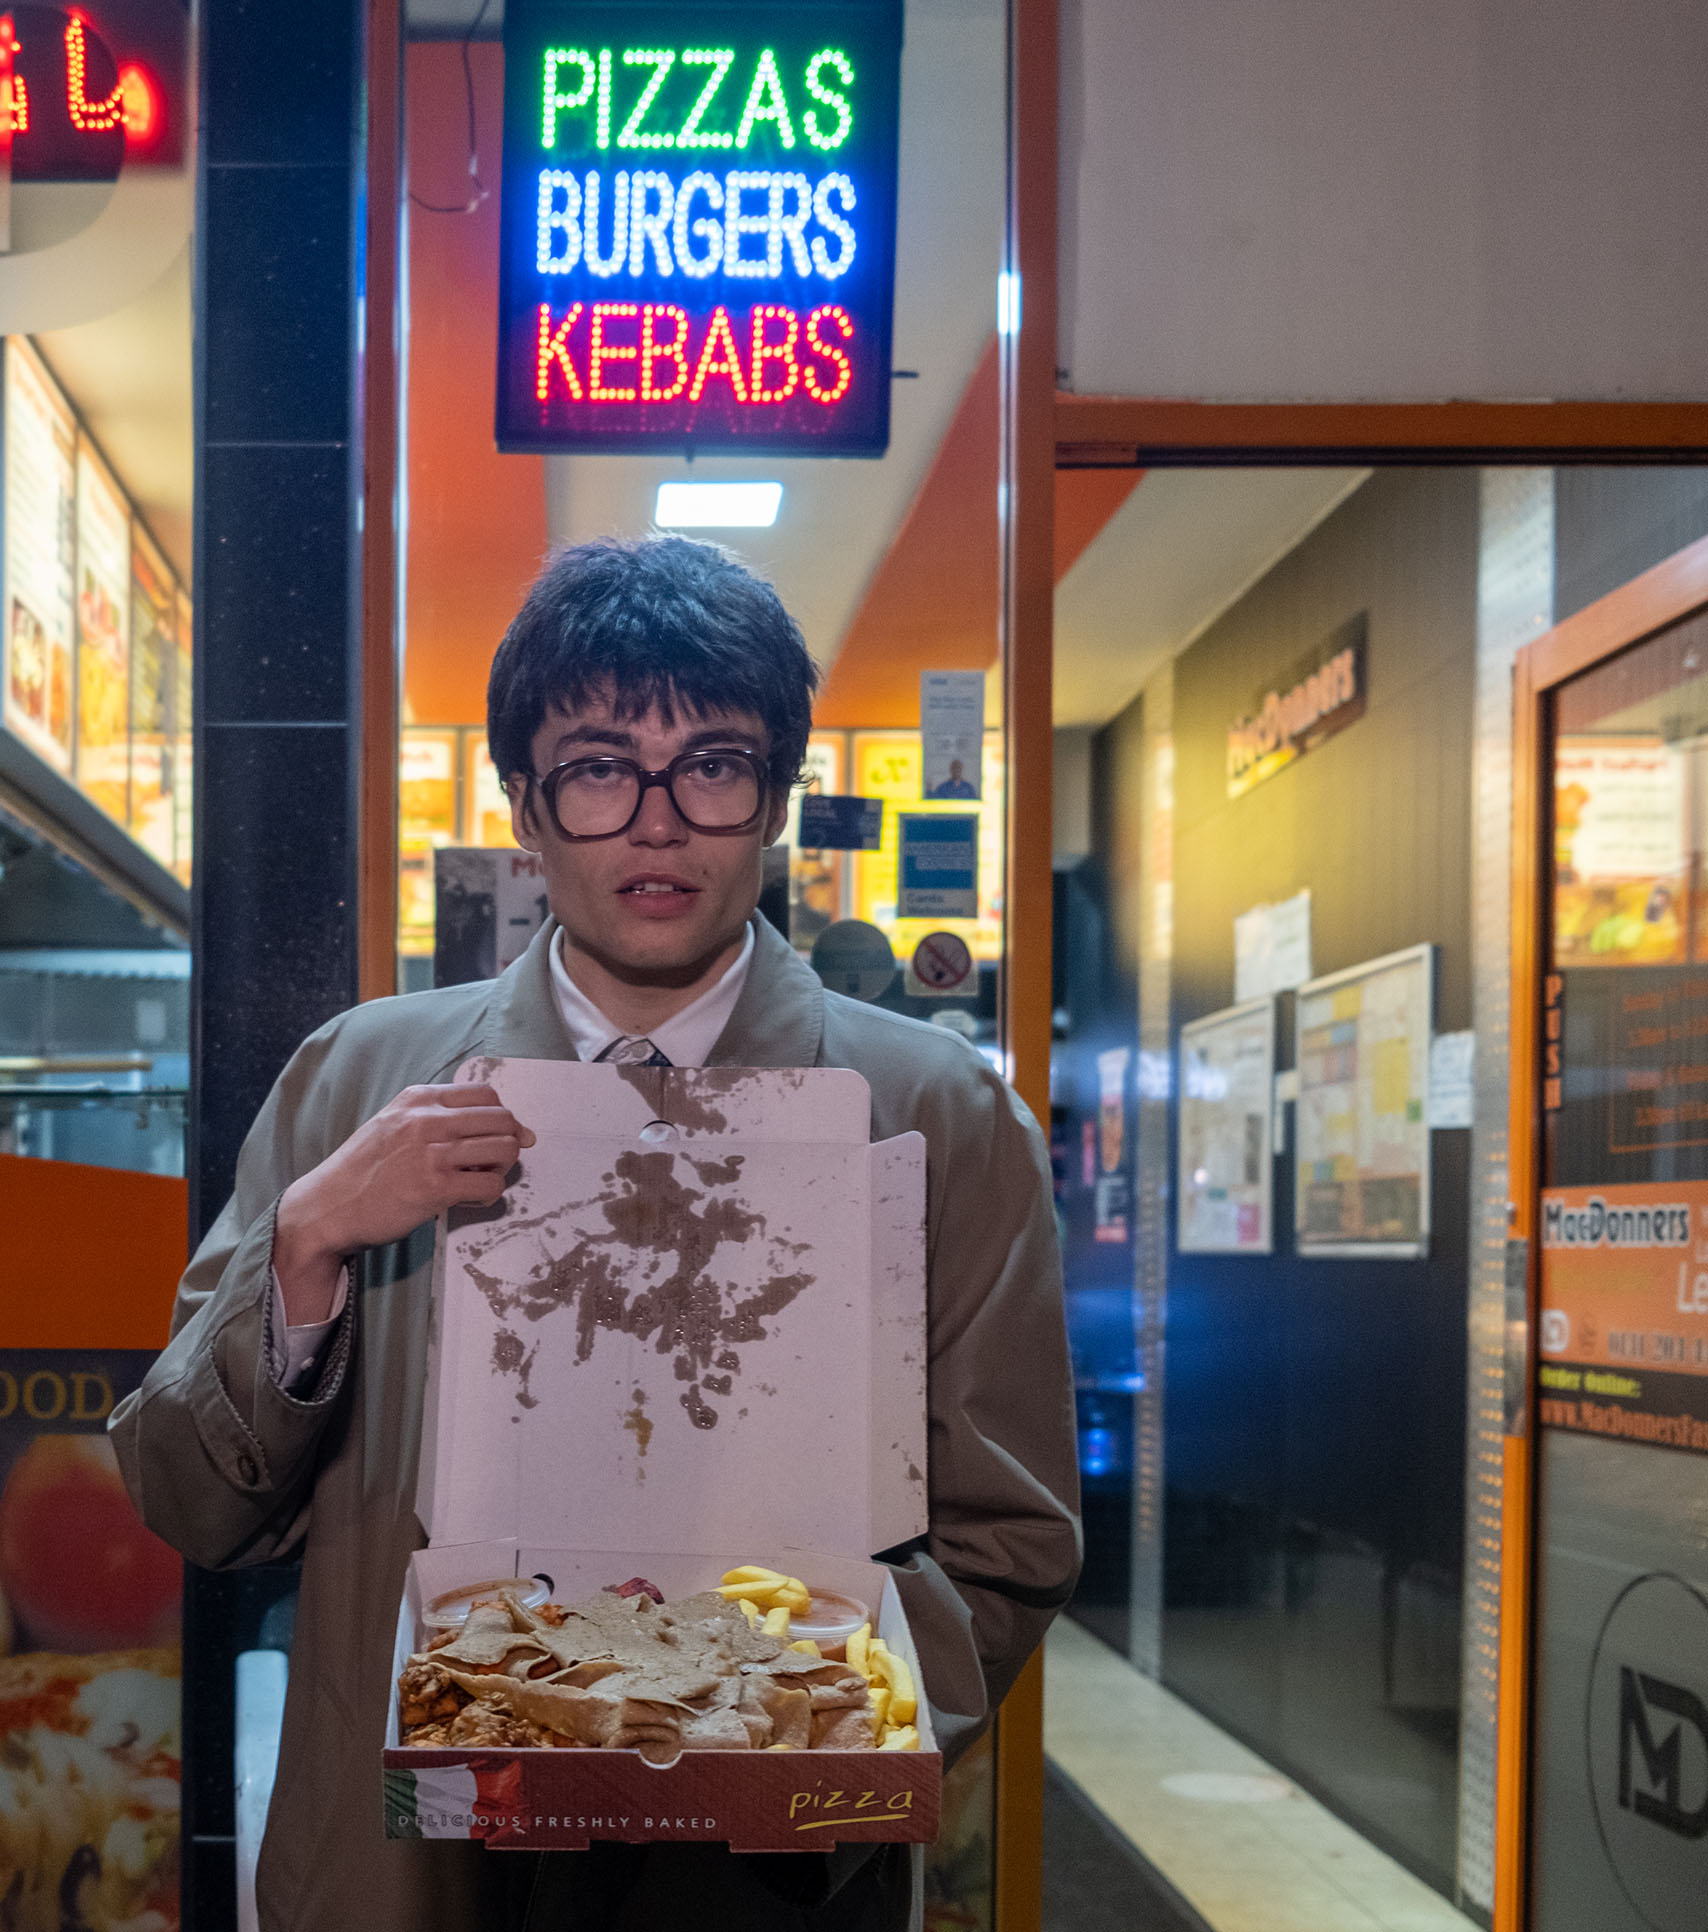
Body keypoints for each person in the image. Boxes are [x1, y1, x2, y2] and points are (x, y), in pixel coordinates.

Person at [112, 536, 1080, 1932]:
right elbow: (190, 1502)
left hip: (765, 1886)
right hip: (412, 1878)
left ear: (775, 803)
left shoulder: (930, 1115)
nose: (657, 819)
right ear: (526, 805)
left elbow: (1011, 1543)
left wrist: (789, 1719)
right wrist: (309, 1245)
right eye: (599, 765)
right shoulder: (356, 1081)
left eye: (714, 764)